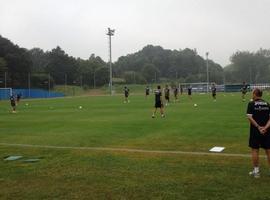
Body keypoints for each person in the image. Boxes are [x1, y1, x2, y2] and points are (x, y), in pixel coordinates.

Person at [246, 88, 270, 178]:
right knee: (268, 150)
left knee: (255, 150)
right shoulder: (267, 104)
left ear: (255, 94)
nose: (252, 94)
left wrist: (258, 127)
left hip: (255, 131)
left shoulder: (251, 104)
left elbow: (249, 117)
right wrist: (265, 128)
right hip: (267, 131)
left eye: (253, 93)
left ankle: (256, 171)